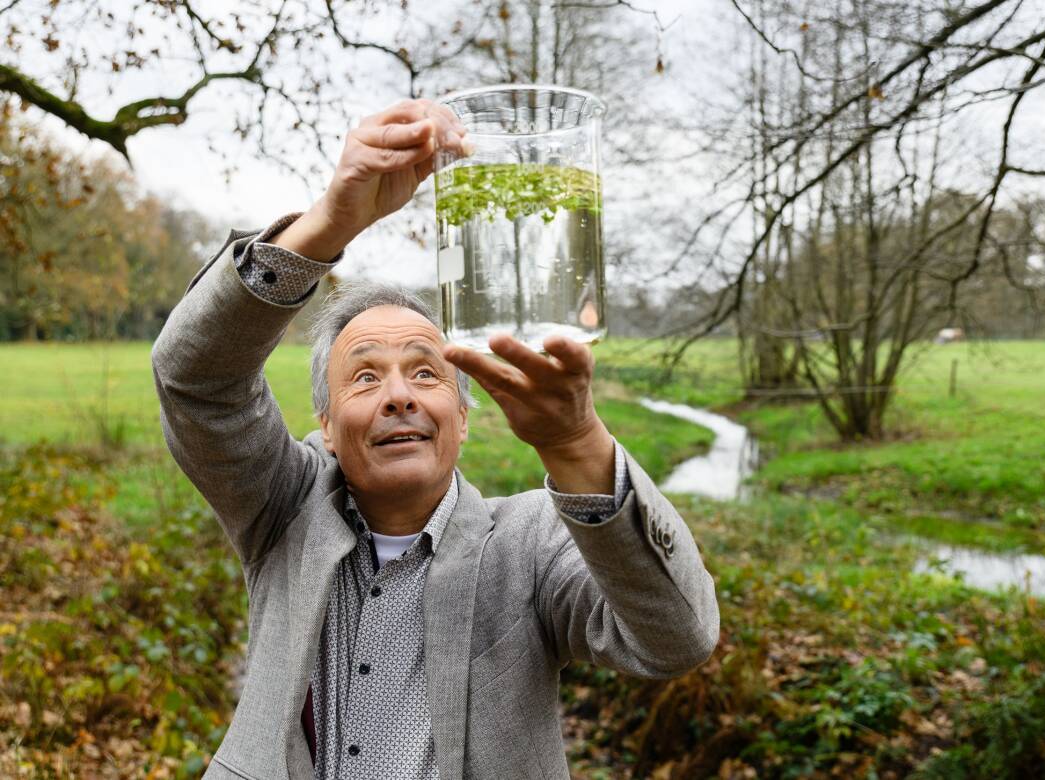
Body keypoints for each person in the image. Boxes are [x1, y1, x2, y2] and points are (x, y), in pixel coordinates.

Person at [152, 98, 719, 780]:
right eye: (365, 377)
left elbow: (676, 639)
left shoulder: (530, 543)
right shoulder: (280, 509)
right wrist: (328, 222)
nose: (399, 395)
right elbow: (194, 378)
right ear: (326, 428)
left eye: (426, 370)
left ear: (463, 413)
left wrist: (577, 442)